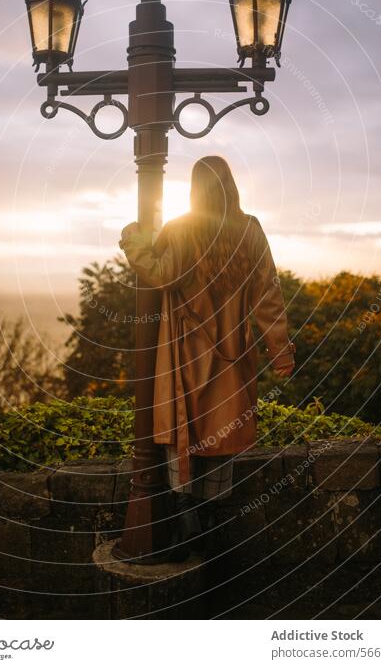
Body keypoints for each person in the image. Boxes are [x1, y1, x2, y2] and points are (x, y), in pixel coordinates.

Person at [119, 155, 295, 559]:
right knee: (221, 435)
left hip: (182, 353)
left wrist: (132, 237)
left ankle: (186, 523)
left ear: (194, 189)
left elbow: (161, 273)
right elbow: (267, 293)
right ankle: (208, 528)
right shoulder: (250, 230)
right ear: (231, 185)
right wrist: (280, 353)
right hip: (232, 358)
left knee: (182, 434)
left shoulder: (182, 229)